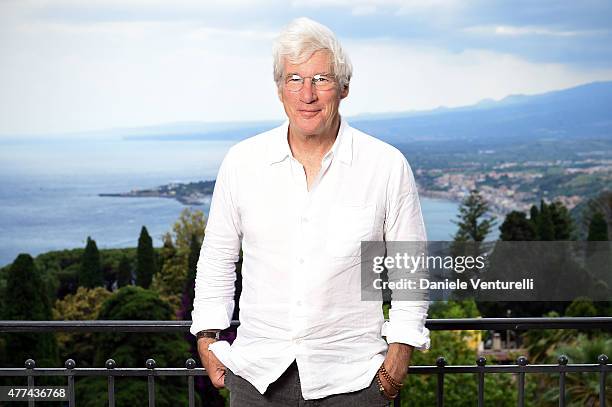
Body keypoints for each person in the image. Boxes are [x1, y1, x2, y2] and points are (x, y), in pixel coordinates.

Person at [191, 17, 430, 406]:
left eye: (321, 79)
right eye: (295, 79)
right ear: (279, 90)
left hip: (355, 381)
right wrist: (207, 336)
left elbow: (411, 269)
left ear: (344, 87)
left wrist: (396, 364)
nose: (307, 95)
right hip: (256, 377)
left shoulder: (386, 166)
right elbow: (217, 257)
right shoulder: (241, 162)